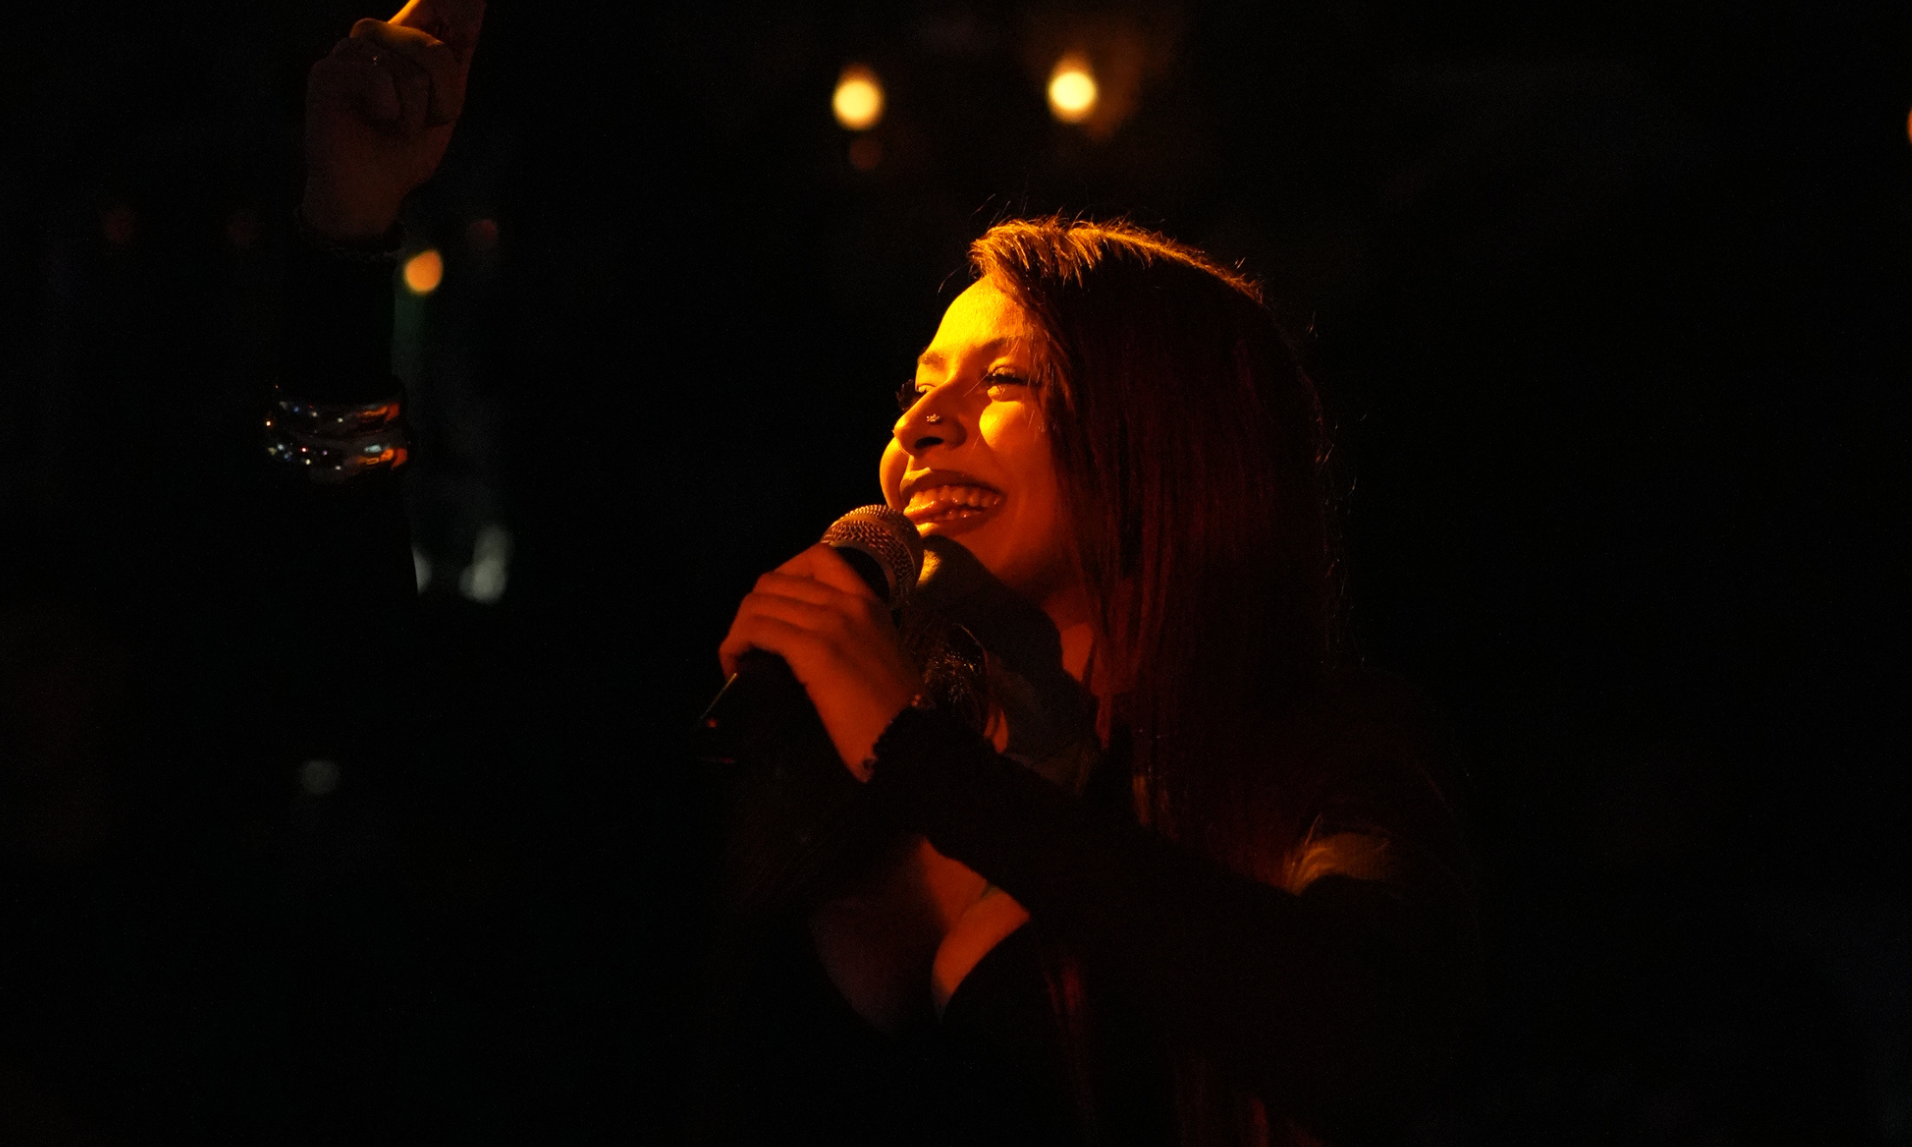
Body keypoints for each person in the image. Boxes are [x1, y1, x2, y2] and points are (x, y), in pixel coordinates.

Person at [287, 5, 1475, 1142]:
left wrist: (914, 753)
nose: (923, 425)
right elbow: (389, 712)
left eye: (1001, 383)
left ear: (1168, 445)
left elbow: (1360, 1046)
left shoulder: (1326, 766)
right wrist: (347, 238)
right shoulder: (789, 743)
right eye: (917, 386)